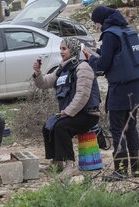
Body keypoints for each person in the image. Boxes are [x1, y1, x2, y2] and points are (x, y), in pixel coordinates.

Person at [83, 6, 139, 181]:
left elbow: (103, 65)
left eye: (95, 23)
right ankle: (135, 169)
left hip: (120, 89)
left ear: (101, 21)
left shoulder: (109, 34)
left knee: (118, 129)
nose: (96, 26)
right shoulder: (125, 30)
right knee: (131, 128)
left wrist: (92, 57)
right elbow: (118, 55)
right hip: (136, 87)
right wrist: (99, 51)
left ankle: (120, 170)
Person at [33, 37, 101, 178]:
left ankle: (71, 165)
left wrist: (68, 112)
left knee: (61, 126)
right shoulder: (62, 68)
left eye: (64, 49)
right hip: (72, 113)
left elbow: (82, 95)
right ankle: (56, 162)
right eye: (61, 49)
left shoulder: (83, 67)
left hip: (88, 114)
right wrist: (38, 73)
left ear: (73, 49)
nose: (61, 52)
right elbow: (44, 83)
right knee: (48, 126)